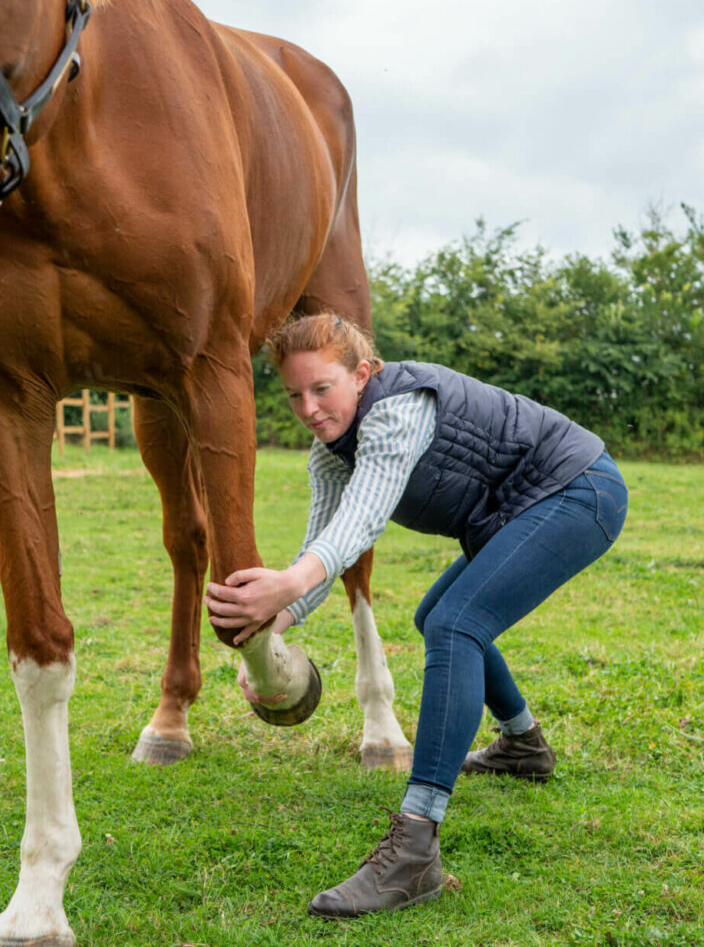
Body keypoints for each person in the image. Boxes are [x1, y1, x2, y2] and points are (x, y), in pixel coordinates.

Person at [205, 313, 628, 918]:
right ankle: (522, 746)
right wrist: (266, 639)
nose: (308, 408)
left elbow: (363, 520)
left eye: (321, 388)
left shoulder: (399, 409)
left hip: (578, 489)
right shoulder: (329, 455)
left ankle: (416, 848)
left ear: (362, 373)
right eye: (294, 394)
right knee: (440, 617)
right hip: (513, 512)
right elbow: (324, 545)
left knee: (457, 622)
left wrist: (286, 588)